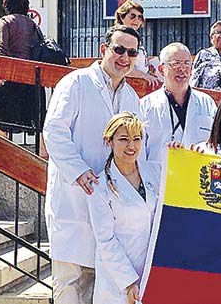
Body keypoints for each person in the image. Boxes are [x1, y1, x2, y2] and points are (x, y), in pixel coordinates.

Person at [43, 25, 143, 304]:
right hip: (73, 201)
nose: (124, 57)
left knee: (97, 287)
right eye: (119, 50)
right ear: (103, 50)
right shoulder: (76, 83)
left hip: (109, 208)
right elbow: (54, 131)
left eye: (131, 52)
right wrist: (79, 171)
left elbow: (135, 148)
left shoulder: (131, 97)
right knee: (69, 286)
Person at [87, 112, 160, 304]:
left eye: (137, 139)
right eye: (124, 139)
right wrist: (128, 282)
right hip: (117, 281)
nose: (131, 146)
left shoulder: (155, 172)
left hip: (152, 272)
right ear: (109, 141)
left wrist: (181, 152)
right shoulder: (99, 186)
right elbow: (105, 240)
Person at [0, 0, 47, 156]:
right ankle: (43, 154)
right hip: (32, 78)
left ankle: (3, 151)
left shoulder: (6, 21)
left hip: (13, 76)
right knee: (37, 118)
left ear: (7, 4)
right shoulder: (32, 24)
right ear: (25, 5)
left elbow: (2, 48)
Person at [140, 42, 217, 168]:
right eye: (175, 63)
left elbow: (218, 143)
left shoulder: (207, 103)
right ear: (161, 69)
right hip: (158, 180)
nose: (182, 69)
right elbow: (139, 151)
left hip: (198, 177)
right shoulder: (145, 106)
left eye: (187, 63)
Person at [114, 0, 161, 88]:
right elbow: (123, 67)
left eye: (140, 17)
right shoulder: (119, 38)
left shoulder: (134, 37)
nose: (136, 20)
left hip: (139, 85)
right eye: (132, 16)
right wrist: (144, 75)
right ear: (121, 17)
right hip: (127, 86)